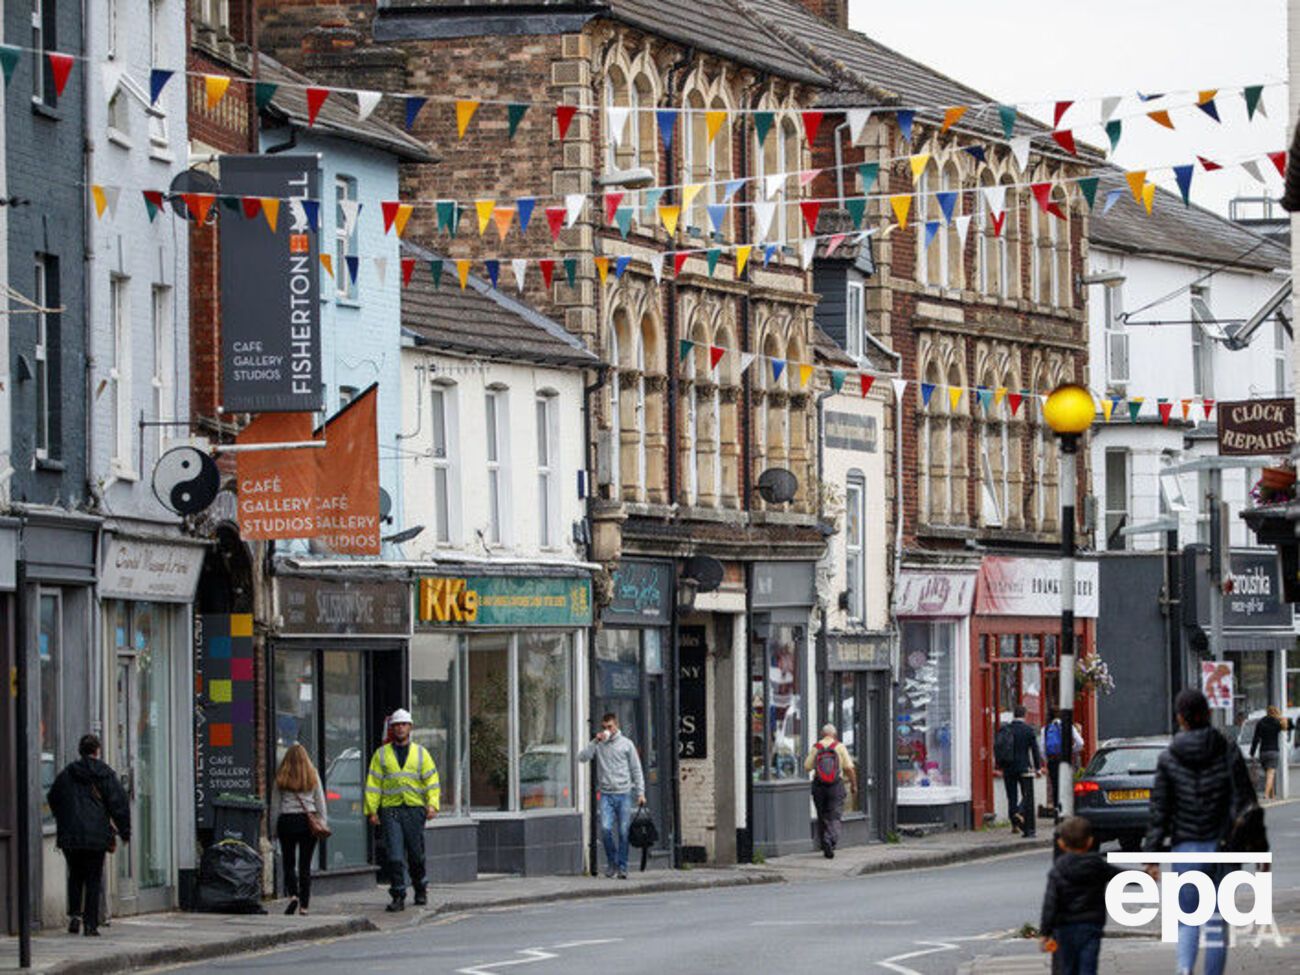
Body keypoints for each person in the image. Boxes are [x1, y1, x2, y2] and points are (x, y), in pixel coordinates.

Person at [1144, 689, 1258, 975]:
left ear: (1180, 719)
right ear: (1207, 714)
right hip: (1223, 846)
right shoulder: (1228, 749)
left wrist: (1152, 855)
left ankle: (1184, 969)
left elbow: (1159, 810)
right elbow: (1246, 801)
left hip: (1186, 847)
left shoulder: (1169, 757)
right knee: (1217, 921)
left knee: (1187, 918)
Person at [46, 734, 131, 937]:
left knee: (75, 874)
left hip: (71, 835)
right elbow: (119, 803)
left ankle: (75, 917)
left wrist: (64, 819)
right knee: (93, 878)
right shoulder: (105, 774)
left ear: (80, 750)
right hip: (96, 834)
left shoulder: (68, 773)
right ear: (97, 751)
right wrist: (125, 832)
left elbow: (53, 796)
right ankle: (90, 924)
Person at [363, 709, 440, 912]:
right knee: (395, 856)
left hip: (414, 810)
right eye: (396, 725)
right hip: (391, 811)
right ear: (392, 728)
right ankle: (398, 894)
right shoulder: (381, 755)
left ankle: (420, 888)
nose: (400, 728)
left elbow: (432, 781)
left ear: (410, 727)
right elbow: (373, 784)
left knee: (416, 855)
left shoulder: (421, 754)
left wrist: (432, 804)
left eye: (404, 724)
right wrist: (372, 810)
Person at [1039, 816, 1122, 975]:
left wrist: (1045, 932)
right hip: (1091, 924)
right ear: (1090, 841)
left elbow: (1050, 903)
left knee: (1066, 967)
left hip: (1064, 927)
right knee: (1088, 966)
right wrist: (1145, 876)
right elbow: (1120, 876)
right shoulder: (1097, 864)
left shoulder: (1058, 869)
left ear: (1061, 843)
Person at [578, 713, 645, 879]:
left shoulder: (627, 744)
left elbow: (636, 769)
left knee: (623, 831)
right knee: (605, 829)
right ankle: (612, 862)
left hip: (624, 793)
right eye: (604, 727)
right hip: (606, 794)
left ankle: (623, 867)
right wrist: (594, 741)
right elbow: (582, 758)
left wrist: (640, 792)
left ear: (616, 726)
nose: (607, 730)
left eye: (610, 727)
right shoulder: (599, 744)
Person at [271, 744, 327, 916]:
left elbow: (275, 806)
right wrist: (322, 822)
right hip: (308, 822)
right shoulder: (313, 774)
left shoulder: (281, 776)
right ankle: (304, 906)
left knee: (288, 863)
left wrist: (273, 830)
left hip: (287, 821)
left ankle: (293, 895)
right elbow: (320, 802)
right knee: (305, 865)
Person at [803, 723, 857, 859]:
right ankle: (829, 839)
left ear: (822, 734)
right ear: (835, 734)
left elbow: (807, 767)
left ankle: (824, 844)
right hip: (835, 786)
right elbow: (849, 768)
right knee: (834, 815)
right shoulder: (839, 747)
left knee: (822, 815)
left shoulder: (817, 747)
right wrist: (853, 784)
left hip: (819, 786)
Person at [995, 707, 1042, 838]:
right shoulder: (1028, 730)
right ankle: (1020, 813)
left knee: (1011, 796)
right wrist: (1038, 768)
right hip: (1023, 767)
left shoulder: (1006, 729)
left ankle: (1014, 825)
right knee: (1027, 795)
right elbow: (1035, 750)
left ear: (1014, 715)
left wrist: (999, 765)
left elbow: (999, 747)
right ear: (1024, 715)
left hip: (1008, 767)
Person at [1041, 708, 1085, 813]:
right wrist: (1071, 750)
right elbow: (1080, 743)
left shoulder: (1045, 729)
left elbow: (1042, 749)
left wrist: (1047, 759)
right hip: (1065, 759)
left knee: (1055, 785)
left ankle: (1057, 808)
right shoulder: (1068, 727)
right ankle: (1065, 809)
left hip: (1052, 761)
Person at [1250, 706, 1289, 800]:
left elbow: (1256, 738)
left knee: (1268, 774)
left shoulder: (1261, 722)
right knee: (1270, 774)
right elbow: (1286, 727)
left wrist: (1252, 752)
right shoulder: (1277, 723)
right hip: (1274, 751)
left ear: (1267, 712)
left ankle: (1272, 795)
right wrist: (1280, 717)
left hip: (1263, 752)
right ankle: (1266, 794)